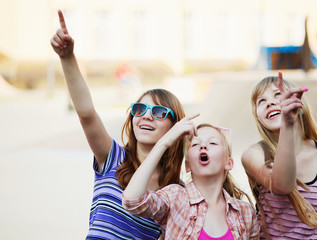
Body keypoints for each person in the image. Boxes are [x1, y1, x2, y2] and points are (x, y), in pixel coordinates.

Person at [50, 9, 188, 239]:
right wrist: (67, 57)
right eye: (139, 109)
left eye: (159, 112)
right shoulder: (113, 157)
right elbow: (86, 113)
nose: (146, 116)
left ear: (175, 127)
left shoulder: (176, 191)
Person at [241, 72, 317, 239]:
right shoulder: (255, 155)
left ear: (299, 103)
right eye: (261, 101)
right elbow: (283, 185)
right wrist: (287, 123)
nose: (270, 102)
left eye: (278, 94)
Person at [122, 123, 260, 239]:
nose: (203, 146)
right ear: (188, 165)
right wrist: (163, 143)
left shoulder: (245, 212)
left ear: (228, 163)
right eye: (195, 144)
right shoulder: (175, 197)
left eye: (212, 143)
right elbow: (132, 201)